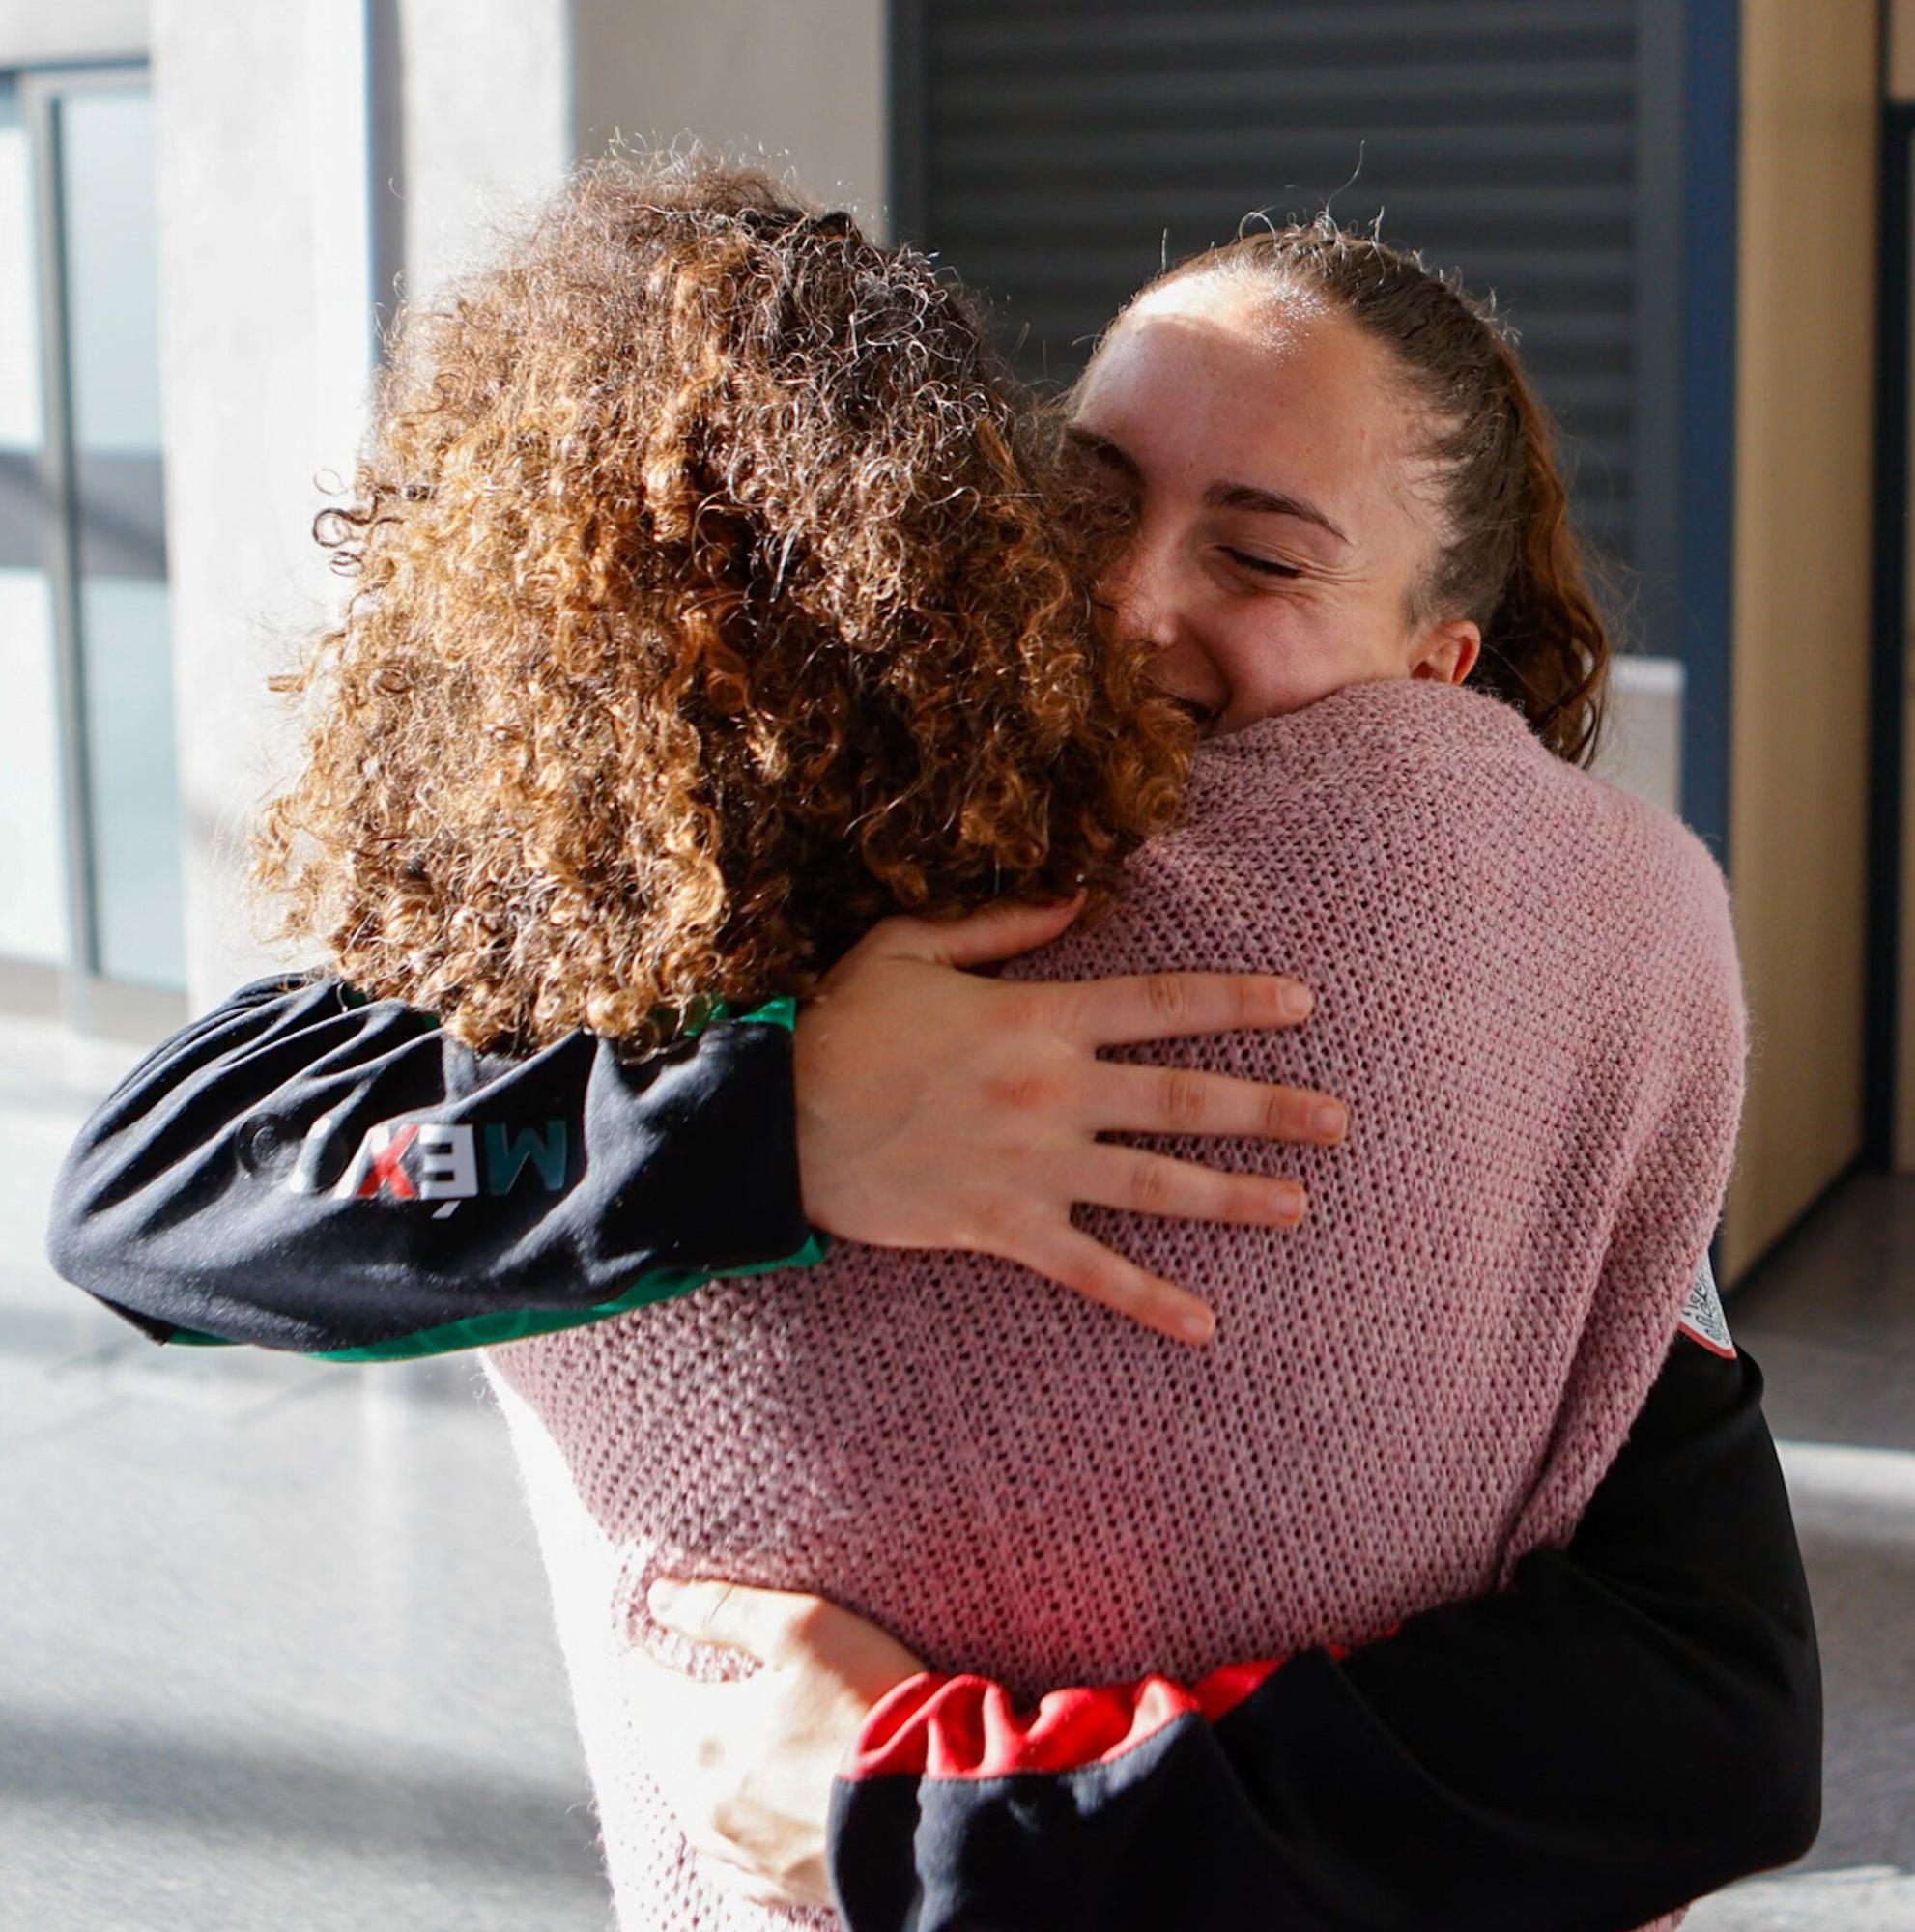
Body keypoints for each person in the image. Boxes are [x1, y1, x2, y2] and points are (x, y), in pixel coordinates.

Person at [45, 169, 1820, 1932]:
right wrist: (767, 1122)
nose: (1126, 604)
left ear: (1440, 667)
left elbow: (1705, 1717)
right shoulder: (799, 847)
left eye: (1260, 557)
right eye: (1085, 496)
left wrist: (922, 1804)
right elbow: (162, 1187)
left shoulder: (1519, 1009)